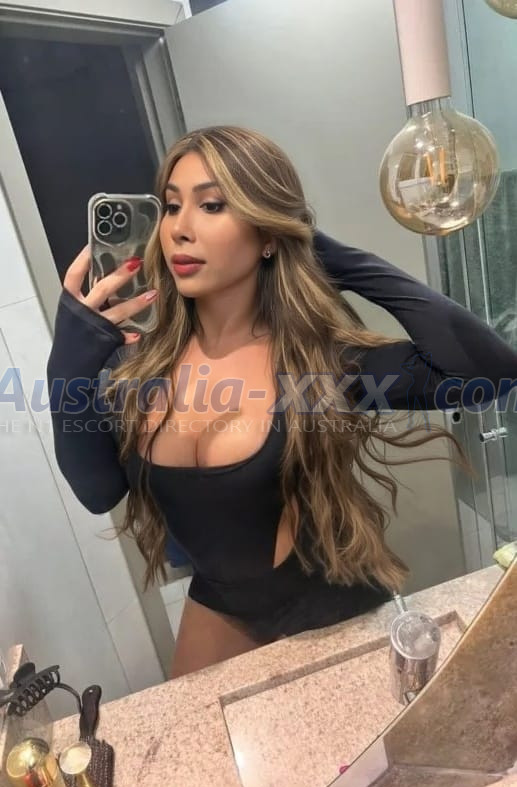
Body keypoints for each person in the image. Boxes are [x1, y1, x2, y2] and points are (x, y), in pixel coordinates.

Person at [47, 125, 517, 679]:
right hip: (217, 608)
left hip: (328, 606)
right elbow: (98, 492)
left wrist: (342, 261)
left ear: (266, 231)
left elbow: (492, 375)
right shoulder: (138, 367)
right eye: (172, 206)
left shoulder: (320, 368)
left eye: (212, 205)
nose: (179, 229)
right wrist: (65, 370)